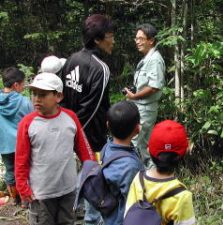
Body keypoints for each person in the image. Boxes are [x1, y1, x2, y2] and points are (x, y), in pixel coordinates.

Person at [15, 72, 95, 225]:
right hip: (41, 193)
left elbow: (84, 148)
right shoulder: (27, 123)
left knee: (67, 222)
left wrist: (92, 171)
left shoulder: (70, 118)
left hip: (68, 189)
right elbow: (21, 159)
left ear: (58, 96)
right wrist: (23, 187)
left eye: (43, 94)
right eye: (34, 94)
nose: (37, 98)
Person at [60, 14, 115, 225]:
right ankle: (91, 218)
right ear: (98, 40)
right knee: (93, 175)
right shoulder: (100, 68)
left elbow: (63, 97)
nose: (113, 41)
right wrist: (75, 133)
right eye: (110, 36)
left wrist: (66, 128)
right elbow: (92, 108)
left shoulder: (72, 59)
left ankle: (73, 209)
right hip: (90, 134)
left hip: (70, 127)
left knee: (77, 171)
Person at [125, 120, 196, 225]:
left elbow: (128, 215)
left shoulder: (138, 180)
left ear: (149, 151)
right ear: (185, 152)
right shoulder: (182, 196)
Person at [125, 23, 165, 166]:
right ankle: (149, 175)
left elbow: (154, 86)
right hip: (141, 107)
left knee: (135, 142)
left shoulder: (155, 59)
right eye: (136, 38)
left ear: (151, 40)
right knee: (142, 146)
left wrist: (134, 96)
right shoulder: (146, 58)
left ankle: (139, 176)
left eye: (141, 38)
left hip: (145, 108)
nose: (137, 41)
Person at [100, 100, 144, 225]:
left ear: (108, 125)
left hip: (107, 215)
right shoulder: (131, 167)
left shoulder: (107, 147)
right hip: (121, 220)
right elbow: (136, 201)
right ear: (137, 129)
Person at [0, 67, 33, 206]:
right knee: (25, 170)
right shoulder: (25, 102)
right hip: (22, 144)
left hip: (4, 145)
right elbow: (33, 121)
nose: (24, 86)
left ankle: (15, 199)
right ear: (16, 85)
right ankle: (26, 200)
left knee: (10, 171)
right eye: (23, 83)